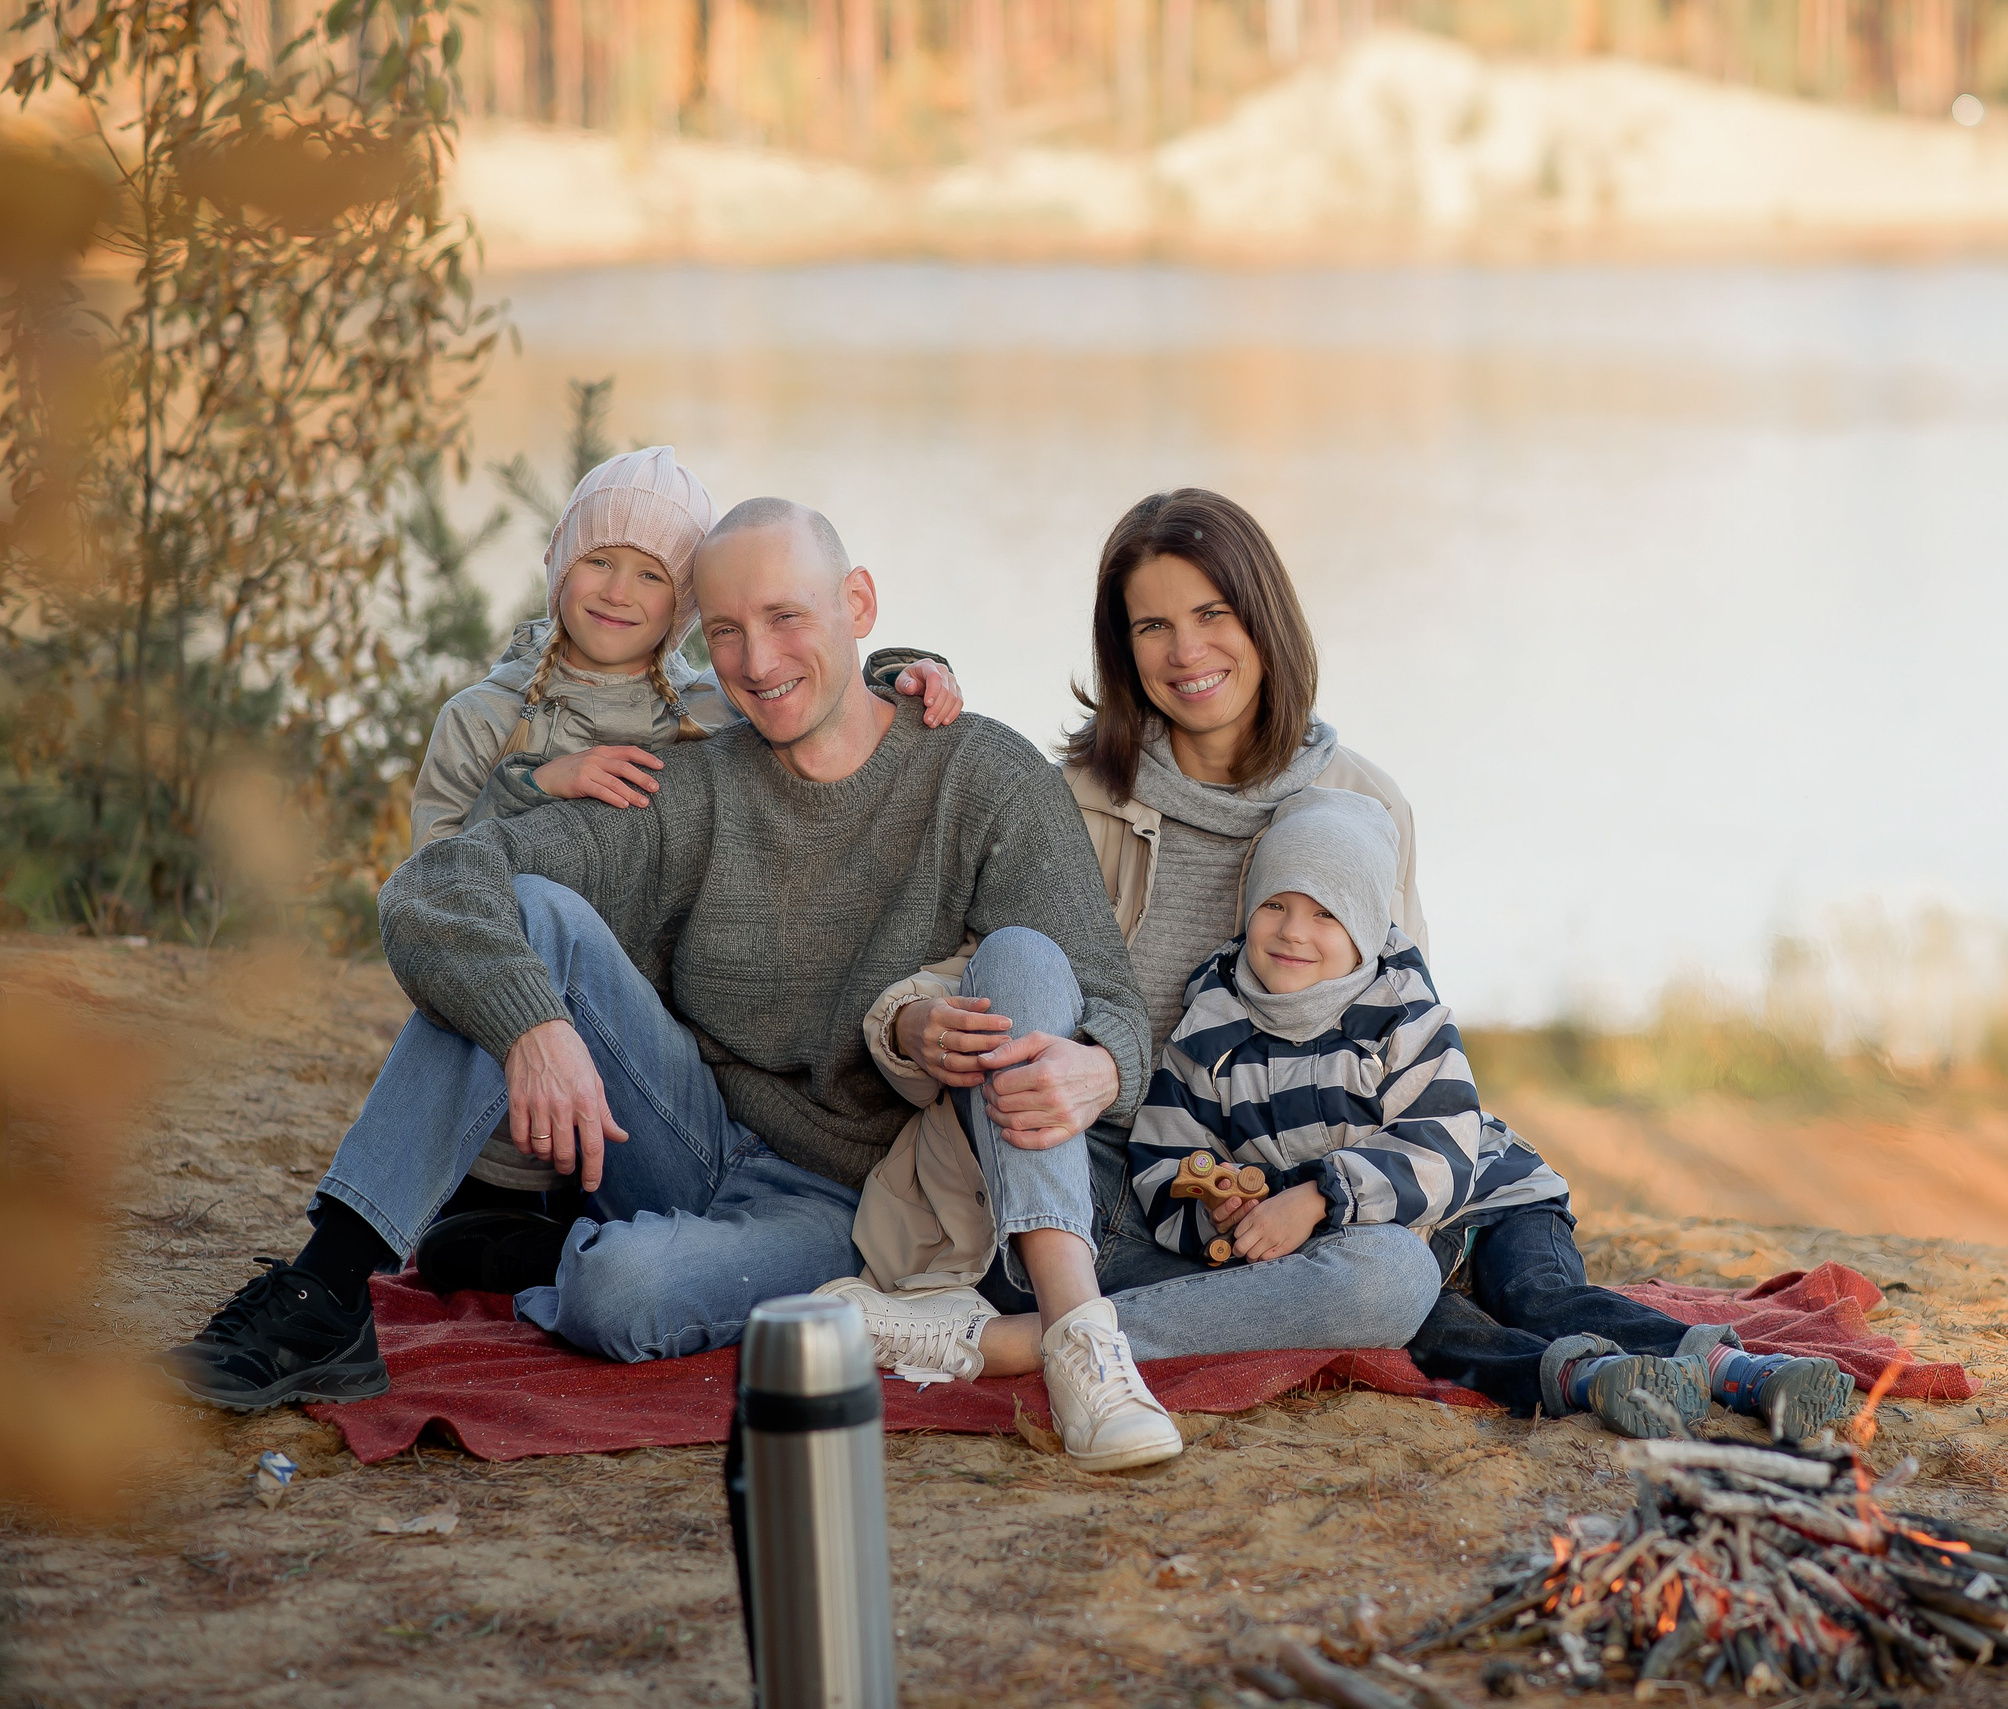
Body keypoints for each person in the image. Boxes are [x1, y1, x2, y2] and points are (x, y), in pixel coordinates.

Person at [154, 497, 1192, 1471]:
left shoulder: (982, 774)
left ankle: (562, 1244)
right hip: (683, 1132)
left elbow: (1092, 987)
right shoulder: (692, 784)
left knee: (618, 1292)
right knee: (532, 919)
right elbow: (433, 886)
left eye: (787, 617)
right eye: (727, 631)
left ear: (860, 606)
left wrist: (1100, 1066)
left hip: (852, 1202)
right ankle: (327, 1286)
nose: (757, 660)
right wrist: (531, 1028)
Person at [818, 490, 1445, 1399]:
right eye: (1152, 624)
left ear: (1264, 618)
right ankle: (1081, 1312)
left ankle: (1027, 1342)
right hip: (1061, 1189)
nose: (1186, 652)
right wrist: (910, 1022)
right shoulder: (1068, 795)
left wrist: (1297, 1196)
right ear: (1123, 649)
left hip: (1252, 1215)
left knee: (1395, 1276)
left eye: (1211, 614)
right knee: (1027, 950)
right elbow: (988, 973)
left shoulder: (1365, 809)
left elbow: (1404, 1038)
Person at [1127, 788, 1858, 1444]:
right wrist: (1215, 1208)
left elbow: (1439, 1142)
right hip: (1376, 1247)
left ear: (1366, 927)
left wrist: (1317, 1195)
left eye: (1327, 913)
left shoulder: (1401, 1008)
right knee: (1425, 1328)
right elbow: (1165, 1153)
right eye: (1275, 904)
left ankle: (1738, 1370)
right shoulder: (1211, 1025)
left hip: (1489, 1201)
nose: (1293, 931)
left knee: (1533, 1294)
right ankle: (1585, 1379)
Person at [399, 446, 960, 1295]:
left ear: (688, 604)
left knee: (584, 1244)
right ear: (559, 558)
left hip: (640, 1084)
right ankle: (367, 1254)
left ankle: (586, 1238)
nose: (619, 591)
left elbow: (812, 693)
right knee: (453, 1249)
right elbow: (434, 891)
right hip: (504, 1096)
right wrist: (532, 786)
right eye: (598, 561)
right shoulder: (485, 721)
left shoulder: (707, 713)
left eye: (652, 575)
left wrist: (907, 671)